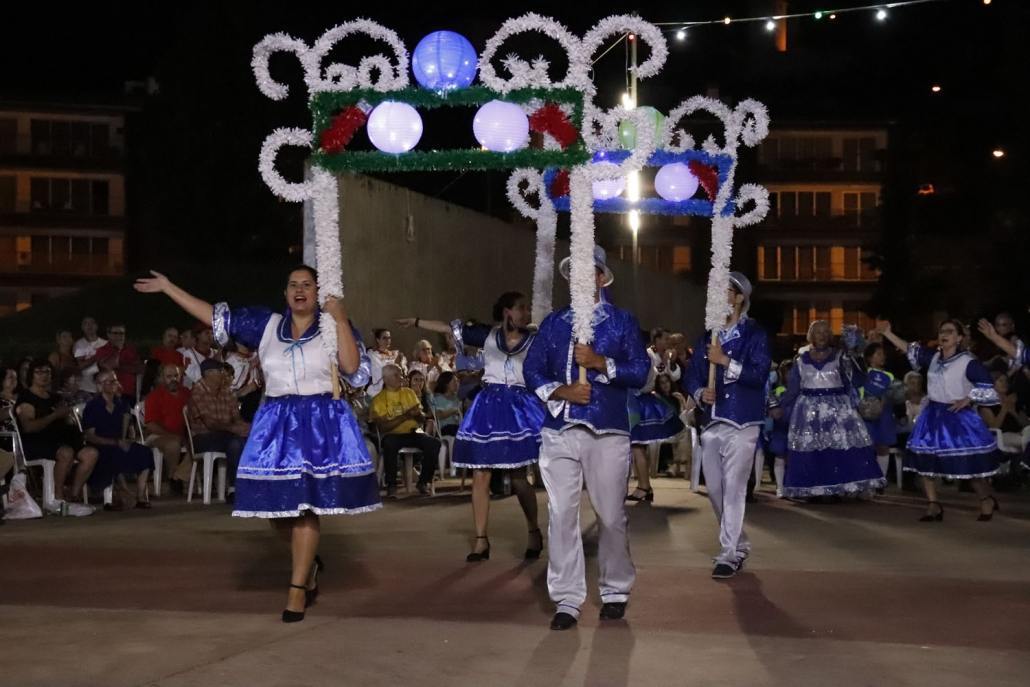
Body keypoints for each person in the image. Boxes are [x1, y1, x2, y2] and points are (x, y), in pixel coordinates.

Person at [135, 265, 380, 622]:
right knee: (273, 508)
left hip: (320, 422)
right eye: (293, 285)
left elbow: (350, 365)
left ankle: (296, 590)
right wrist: (170, 287)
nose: (299, 290)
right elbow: (216, 316)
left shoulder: (331, 326)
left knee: (307, 507)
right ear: (284, 294)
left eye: (307, 285)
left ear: (318, 292)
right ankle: (307, 561)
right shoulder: (265, 325)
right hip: (276, 424)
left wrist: (340, 319)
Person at [524, 246, 650, 630]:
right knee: (561, 514)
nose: (581, 279)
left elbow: (640, 370)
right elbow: (533, 368)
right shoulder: (552, 324)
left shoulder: (622, 321)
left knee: (610, 515)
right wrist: (562, 392)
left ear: (601, 278)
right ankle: (566, 598)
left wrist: (599, 363)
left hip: (607, 429)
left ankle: (615, 589)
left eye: (588, 272)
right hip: (559, 430)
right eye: (573, 273)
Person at [398, 291, 547, 562]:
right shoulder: (486, 335)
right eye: (521, 308)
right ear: (506, 312)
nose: (526, 313)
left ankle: (533, 530)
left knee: (518, 478)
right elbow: (447, 327)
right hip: (488, 406)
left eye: (527, 308)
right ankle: (481, 540)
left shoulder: (535, 341)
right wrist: (417, 321)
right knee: (481, 474)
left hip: (517, 407)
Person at [685, 272, 771, 579]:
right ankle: (740, 540)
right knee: (716, 490)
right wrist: (699, 392)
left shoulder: (755, 334)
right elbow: (692, 374)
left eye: (724, 290)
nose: (717, 295)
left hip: (743, 420)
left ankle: (728, 552)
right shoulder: (708, 335)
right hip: (712, 420)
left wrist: (725, 362)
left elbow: (759, 375)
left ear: (738, 298)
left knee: (735, 488)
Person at [879, 319, 1001, 521]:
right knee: (927, 462)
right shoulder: (933, 357)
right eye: (942, 330)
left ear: (959, 338)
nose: (944, 334)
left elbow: (988, 386)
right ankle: (933, 504)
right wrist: (888, 334)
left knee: (968, 464)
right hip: (933, 415)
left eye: (950, 331)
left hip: (957, 417)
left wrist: (968, 399)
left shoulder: (967, 361)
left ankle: (985, 498)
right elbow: (909, 349)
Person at [779, 321, 885, 501]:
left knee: (837, 450)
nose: (820, 336)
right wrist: (778, 407)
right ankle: (814, 490)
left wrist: (854, 354)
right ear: (810, 336)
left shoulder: (841, 357)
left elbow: (858, 380)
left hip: (837, 411)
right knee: (812, 452)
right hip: (808, 412)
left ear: (829, 336)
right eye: (817, 332)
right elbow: (792, 390)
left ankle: (836, 489)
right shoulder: (800, 361)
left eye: (824, 332)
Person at [14, 360, 96, 515]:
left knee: (91, 453)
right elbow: (29, 427)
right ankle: (57, 498)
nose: (44, 376)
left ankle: (73, 495)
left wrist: (68, 417)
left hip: (58, 439)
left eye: (47, 372)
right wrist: (54, 415)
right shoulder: (27, 398)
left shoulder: (54, 397)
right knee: (66, 452)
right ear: (31, 375)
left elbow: (64, 421)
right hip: (35, 441)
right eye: (39, 372)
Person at [627, 330, 686, 502]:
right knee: (636, 446)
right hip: (638, 401)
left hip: (638, 403)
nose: (668, 342)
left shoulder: (646, 358)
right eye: (665, 339)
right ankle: (643, 486)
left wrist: (670, 361)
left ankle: (644, 487)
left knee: (636, 445)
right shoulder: (648, 356)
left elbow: (665, 376)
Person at [82, 370, 153, 510]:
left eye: (115, 380)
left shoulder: (121, 403)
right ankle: (118, 494)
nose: (115, 384)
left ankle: (140, 495)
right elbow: (90, 436)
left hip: (119, 442)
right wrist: (115, 442)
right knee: (113, 454)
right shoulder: (93, 406)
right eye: (110, 381)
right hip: (101, 445)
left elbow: (129, 429)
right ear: (100, 386)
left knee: (145, 452)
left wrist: (129, 440)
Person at [369, 364, 439, 497]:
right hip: (392, 434)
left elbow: (421, 419)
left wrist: (419, 414)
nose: (401, 378)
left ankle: (423, 481)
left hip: (415, 431)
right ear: (386, 379)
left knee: (434, 443)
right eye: (397, 375)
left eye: (401, 374)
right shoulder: (378, 399)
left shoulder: (409, 392)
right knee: (389, 443)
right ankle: (391, 485)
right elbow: (383, 427)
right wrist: (405, 415)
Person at [188, 359, 251, 489]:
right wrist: (234, 429)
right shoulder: (198, 391)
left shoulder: (226, 391)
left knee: (247, 440)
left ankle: (245, 486)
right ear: (208, 373)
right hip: (203, 437)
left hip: (226, 435)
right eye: (220, 371)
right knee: (235, 443)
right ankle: (234, 487)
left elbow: (236, 418)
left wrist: (245, 428)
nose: (223, 374)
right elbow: (210, 424)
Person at [143, 364, 193, 494]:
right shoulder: (154, 396)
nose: (173, 379)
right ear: (162, 378)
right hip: (158, 436)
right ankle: (172, 477)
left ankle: (177, 476)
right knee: (173, 444)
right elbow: (151, 425)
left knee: (200, 443)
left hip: (184, 435)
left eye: (176, 375)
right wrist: (172, 435)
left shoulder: (187, 394)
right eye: (169, 376)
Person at [859, 342, 898, 490]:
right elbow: (859, 393)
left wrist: (885, 401)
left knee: (883, 446)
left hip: (885, 415)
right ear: (869, 358)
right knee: (867, 447)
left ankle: (881, 479)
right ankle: (867, 480)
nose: (883, 357)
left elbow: (894, 394)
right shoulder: (863, 374)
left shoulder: (889, 375)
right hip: (866, 416)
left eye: (883, 354)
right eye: (879, 354)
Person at [96, 324, 143, 403]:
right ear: (109, 334)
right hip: (111, 393)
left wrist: (119, 366)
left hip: (130, 392)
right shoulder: (102, 350)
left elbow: (140, 369)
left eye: (121, 333)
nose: (119, 336)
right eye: (115, 333)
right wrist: (118, 350)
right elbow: (108, 366)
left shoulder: (131, 350)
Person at [367, 329, 407, 398]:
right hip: (379, 391)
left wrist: (401, 364)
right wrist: (395, 364)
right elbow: (379, 371)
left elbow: (404, 371)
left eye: (389, 338)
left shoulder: (395, 354)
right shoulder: (373, 354)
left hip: (397, 390)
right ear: (378, 340)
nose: (387, 340)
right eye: (384, 338)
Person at [74, 316, 107, 394]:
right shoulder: (79, 344)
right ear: (82, 327)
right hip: (86, 388)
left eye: (92, 323)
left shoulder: (105, 343)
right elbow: (80, 365)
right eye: (86, 323)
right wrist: (96, 357)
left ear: (96, 326)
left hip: (104, 388)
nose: (89, 326)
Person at [430, 371, 462, 437]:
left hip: (456, 427)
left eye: (457, 381)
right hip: (444, 429)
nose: (457, 384)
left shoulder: (456, 399)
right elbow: (439, 415)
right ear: (446, 384)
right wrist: (454, 410)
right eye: (454, 381)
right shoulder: (438, 398)